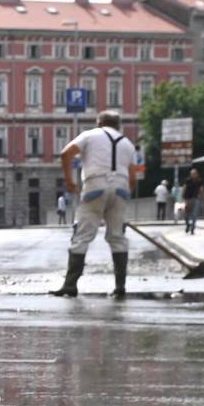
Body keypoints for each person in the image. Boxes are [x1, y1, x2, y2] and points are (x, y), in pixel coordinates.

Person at [50, 108, 142, 298]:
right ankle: (120, 287)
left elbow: (66, 154)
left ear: (99, 123)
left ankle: (70, 284)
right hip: (121, 187)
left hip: (95, 185)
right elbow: (133, 178)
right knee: (117, 237)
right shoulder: (128, 144)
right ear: (118, 126)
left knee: (82, 235)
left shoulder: (90, 135)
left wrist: (69, 181)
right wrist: (123, 196)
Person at [182, 169, 204, 235]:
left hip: (196, 198)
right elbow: (184, 188)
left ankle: (193, 228)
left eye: (195, 174)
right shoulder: (188, 180)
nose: (193, 175)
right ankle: (187, 225)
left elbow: (201, 189)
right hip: (188, 198)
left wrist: (203, 197)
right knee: (186, 214)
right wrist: (183, 196)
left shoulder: (199, 181)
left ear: (197, 174)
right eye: (192, 174)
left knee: (195, 214)